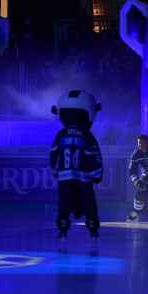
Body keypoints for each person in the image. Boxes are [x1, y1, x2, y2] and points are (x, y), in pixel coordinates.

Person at [49, 90, 103, 242]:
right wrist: (97, 175)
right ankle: (92, 227)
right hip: (83, 180)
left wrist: (55, 172)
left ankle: (63, 227)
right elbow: (94, 155)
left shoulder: (60, 134)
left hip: (65, 180)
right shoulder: (86, 135)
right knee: (88, 205)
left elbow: (54, 155)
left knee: (64, 204)